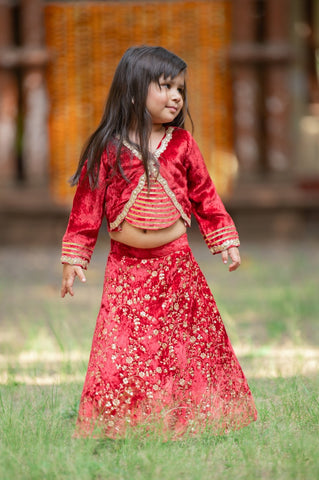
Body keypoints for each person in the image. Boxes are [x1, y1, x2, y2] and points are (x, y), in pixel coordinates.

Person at [60, 45, 257, 439]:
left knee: (187, 346)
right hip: (126, 269)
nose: (176, 97)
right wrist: (74, 257)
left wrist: (225, 239)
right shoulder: (107, 148)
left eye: (180, 89)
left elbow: (205, 197)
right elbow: (85, 210)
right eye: (165, 86)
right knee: (124, 348)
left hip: (177, 266)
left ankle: (192, 419)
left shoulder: (182, 143)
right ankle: (119, 423)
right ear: (133, 91)